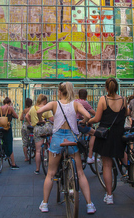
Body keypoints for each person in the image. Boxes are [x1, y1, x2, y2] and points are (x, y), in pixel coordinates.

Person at [36, 82, 96, 214]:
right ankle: (89, 204)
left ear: (59, 91)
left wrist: (41, 120)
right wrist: (84, 122)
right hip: (71, 139)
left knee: (50, 173)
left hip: (57, 139)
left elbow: (39, 111)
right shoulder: (76, 104)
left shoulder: (54, 103)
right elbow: (88, 115)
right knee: (80, 173)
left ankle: (45, 203)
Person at [87, 78, 130, 205]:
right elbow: (125, 113)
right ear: (116, 88)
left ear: (106, 88)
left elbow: (97, 118)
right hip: (119, 133)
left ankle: (109, 195)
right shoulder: (123, 100)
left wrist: (88, 121)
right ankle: (131, 171)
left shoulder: (103, 100)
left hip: (106, 135)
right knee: (121, 153)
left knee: (106, 165)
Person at [26, 94, 52, 174]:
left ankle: (37, 169)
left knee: (38, 151)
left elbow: (27, 116)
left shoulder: (33, 108)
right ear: (44, 101)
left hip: (36, 129)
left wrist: (31, 123)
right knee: (51, 146)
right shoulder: (46, 108)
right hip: (46, 128)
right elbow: (52, 119)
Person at [0, 97, 19, 169]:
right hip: (7, 128)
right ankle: (13, 163)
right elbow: (17, 116)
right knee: (9, 143)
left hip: (0, 128)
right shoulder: (10, 108)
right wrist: (11, 116)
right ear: (9, 102)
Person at [75, 89, 96, 164]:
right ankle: (90, 156)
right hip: (80, 123)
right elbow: (92, 113)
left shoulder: (75, 101)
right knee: (94, 133)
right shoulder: (84, 102)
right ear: (86, 96)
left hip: (73, 124)